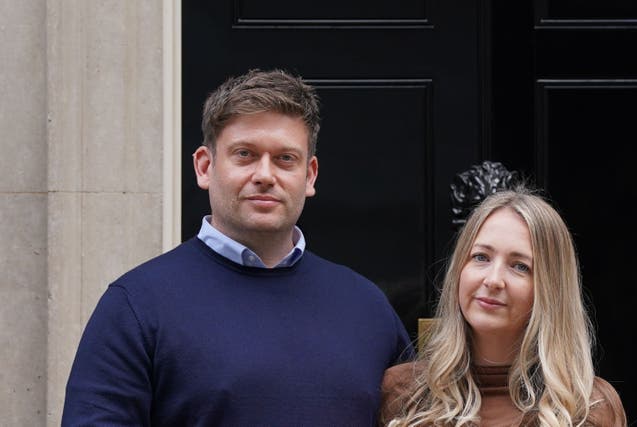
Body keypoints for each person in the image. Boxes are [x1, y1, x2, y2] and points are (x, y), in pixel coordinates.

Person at [62, 68, 413, 426]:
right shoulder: (136, 306)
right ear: (204, 166)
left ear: (309, 176)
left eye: (285, 159)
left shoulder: (366, 307)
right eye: (245, 154)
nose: (264, 174)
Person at [379, 186, 627, 426]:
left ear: (551, 289)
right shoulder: (403, 393)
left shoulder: (589, 407)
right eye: (481, 257)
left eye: (520, 266)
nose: (493, 279)